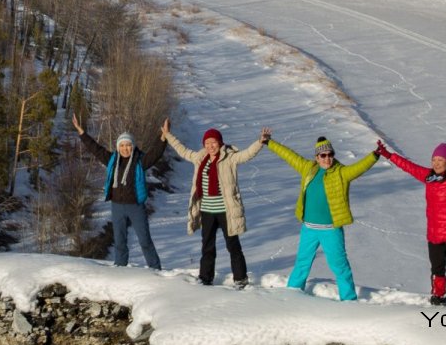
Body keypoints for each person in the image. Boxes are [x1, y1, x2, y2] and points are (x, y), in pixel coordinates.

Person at [375, 140, 446, 313]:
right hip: (435, 234)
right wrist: (389, 155)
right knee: (437, 269)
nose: (436, 163)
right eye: (434, 159)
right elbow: (409, 166)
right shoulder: (429, 177)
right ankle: (438, 297)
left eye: (440, 159)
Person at [264, 130, 380, 300]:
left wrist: (374, 155)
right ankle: (291, 295)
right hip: (309, 229)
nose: (327, 159)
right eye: (323, 155)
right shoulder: (308, 168)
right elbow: (289, 155)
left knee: (340, 266)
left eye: (330, 155)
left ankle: (349, 299)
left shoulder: (341, 173)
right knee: (302, 264)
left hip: (331, 230)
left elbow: (359, 168)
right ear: (317, 157)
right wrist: (269, 142)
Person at [161, 124, 269, 288]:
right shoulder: (200, 158)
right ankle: (205, 277)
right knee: (207, 246)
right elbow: (182, 150)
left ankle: (240, 278)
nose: (210, 146)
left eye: (214, 143)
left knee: (233, 245)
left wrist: (260, 142)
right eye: (207, 143)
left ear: (220, 143)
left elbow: (247, 155)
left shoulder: (229, 158)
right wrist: (168, 135)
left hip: (226, 211)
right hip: (207, 211)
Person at [72, 113, 168, 270]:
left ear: (133, 146)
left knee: (144, 240)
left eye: (128, 145)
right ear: (118, 147)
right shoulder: (112, 160)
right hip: (117, 206)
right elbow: (95, 149)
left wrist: (163, 137)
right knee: (120, 241)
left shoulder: (140, 161)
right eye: (122, 145)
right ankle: (120, 268)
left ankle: (156, 269)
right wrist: (81, 132)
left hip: (135, 207)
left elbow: (155, 154)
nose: (125, 148)